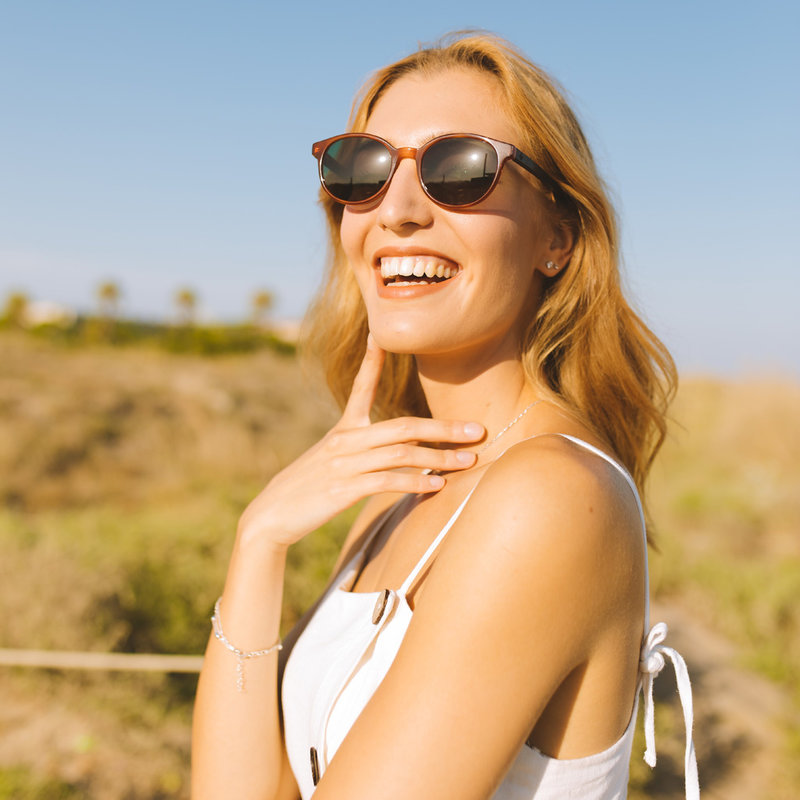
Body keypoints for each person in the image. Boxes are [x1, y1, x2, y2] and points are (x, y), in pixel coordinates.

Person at [192, 32, 699, 800]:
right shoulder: (399, 488)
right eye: (361, 169)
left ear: (557, 236)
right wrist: (257, 542)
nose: (396, 211)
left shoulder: (549, 497)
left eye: (458, 169)